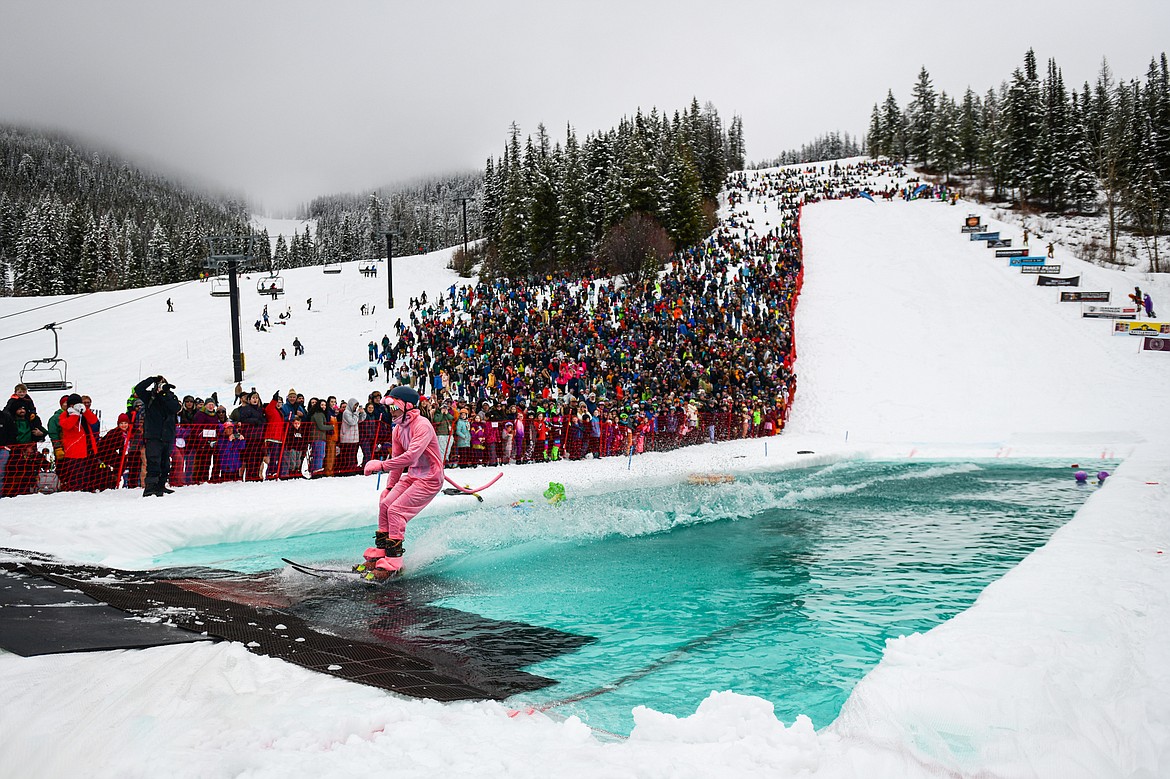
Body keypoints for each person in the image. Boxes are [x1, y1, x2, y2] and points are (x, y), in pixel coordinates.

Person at [359, 386, 445, 580]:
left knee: (396, 511)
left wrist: (381, 465)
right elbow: (398, 459)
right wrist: (389, 487)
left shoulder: (422, 425)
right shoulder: (398, 429)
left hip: (430, 478)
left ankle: (394, 561)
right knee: (385, 504)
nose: (391, 412)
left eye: (394, 407)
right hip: (413, 475)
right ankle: (382, 552)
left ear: (407, 406)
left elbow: (410, 456)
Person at [134, 375, 181, 496]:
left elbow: (175, 408)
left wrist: (164, 394)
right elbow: (138, 389)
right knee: (153, 461)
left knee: (165, 462)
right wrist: (152, 379)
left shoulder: (170, 397)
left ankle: (161, 485)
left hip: (167, 435)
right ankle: (150, 487)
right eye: (159, 384)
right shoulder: (149, 397)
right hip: (154, 434)